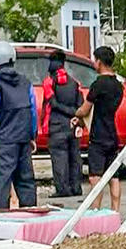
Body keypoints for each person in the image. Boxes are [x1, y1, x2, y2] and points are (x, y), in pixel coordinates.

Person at [0, 40, 38, 209]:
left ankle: (1, 218)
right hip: (24, 140)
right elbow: (33, 111)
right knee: (26, 181)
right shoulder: (25, 82)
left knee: (2, 182)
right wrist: (32, 136)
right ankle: (31, 217)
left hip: (4, 142)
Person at [76, 46, 124, 214]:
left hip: (98, 135)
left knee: (95, 175)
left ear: (100, 62)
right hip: (112, 133)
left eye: (94, 59)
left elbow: (85, 109)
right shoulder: (118, 85)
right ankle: (115, 210)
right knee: (114, 175)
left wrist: (77, 114)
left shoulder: (98, 84)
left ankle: (96, 210)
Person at [42, 50, 83, 198]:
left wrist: (66, 111)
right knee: (74, 157)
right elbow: (80, 105)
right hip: (73, 125)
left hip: (57, 125)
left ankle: (63, 189)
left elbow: (52, 103)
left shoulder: (49, 82)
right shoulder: (75, 82)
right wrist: (73, 114)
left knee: (59, 157)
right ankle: (76, 187)